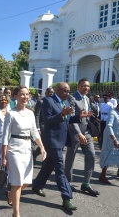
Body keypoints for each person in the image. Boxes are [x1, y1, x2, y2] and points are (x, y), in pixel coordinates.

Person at [32, 83, 85, 211]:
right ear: (59, 90)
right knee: (60, 169)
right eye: (66, 91)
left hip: (61, 140)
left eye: (69, 91)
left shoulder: (64, 102)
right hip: (52, 140)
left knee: (49, 165)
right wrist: (62, 114)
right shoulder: (48, 101)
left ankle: (37, 185)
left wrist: (78, 117)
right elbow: (48, 120)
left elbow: (66, 120)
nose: (68, 94)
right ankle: (67, 198)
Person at [2, 86, 46, 217]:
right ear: (15, 96)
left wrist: (42, 147)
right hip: (14, 150)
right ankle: (16, 213)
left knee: (26, 181)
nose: (25, 97)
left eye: (27, 94)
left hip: (27, 149)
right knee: (17, 181)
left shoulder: (30, 113)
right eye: (22, 94)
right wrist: (4, 156)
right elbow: (5, 136)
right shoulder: (11, 113)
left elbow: (34, 133)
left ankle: (11, 194)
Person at [65, 78, 100, 196]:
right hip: (75, 133)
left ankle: (86, 183)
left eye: (88, 86)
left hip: (87, 132)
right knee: (70, 158)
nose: (86, 88)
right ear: (78, 86)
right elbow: (71, 118)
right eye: (84, 86)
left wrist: (94, 118)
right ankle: (67, 182)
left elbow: (85, 116)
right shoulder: (72, 98)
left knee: (91, 155)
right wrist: (79, 133)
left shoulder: (87, 98)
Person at [33, 87, 54, 161]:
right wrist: (38, 127)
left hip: (51, 126)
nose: (51, 93)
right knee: (44, 143)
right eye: (49, 92)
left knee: (49, 144)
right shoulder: (41, 102)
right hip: (42, 127)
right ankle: (35, 154)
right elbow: (37, 115)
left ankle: (47, 161)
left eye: (52, 92)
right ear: (45, 93)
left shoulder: (54, 102)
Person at [0, 93, 10, 157]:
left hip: (9, 138)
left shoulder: (10, 110)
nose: (4, 101)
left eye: (5, 100)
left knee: (7, 158)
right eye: (2, 100)